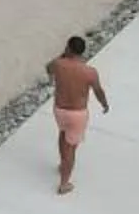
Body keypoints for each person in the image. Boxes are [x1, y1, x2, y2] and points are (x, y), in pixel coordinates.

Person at [45, 36, 109, 196]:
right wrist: (104, 104)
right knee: (71, 148)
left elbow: (48, 68)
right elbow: (98, 91)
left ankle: (62, 164)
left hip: (59, 109)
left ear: (68, 48)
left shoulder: (59, 65)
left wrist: (63, 55)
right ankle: (64, 183)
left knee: (62, 133)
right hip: (77, 113)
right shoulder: (89, 72)